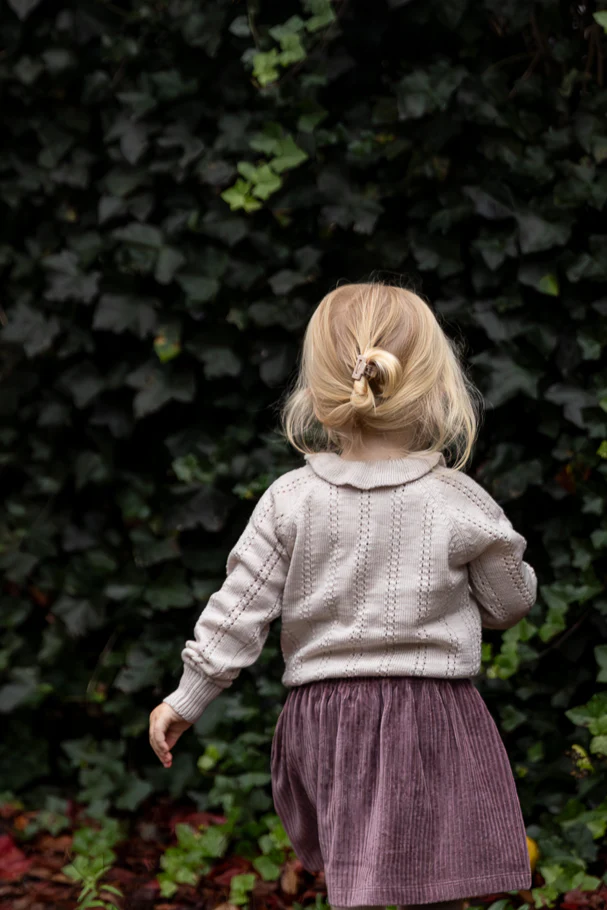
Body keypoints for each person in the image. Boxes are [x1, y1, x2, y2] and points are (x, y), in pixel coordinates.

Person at [149, 281, 537, 910]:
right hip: (428, 716)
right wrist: (500, 551)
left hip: (325, 720)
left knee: (357, 880)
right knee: (434, 885)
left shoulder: (290, 499)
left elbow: (237, 612)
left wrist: (186, 699)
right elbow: (510, 604)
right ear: (435, 382)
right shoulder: (458, 501)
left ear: (322, 384)